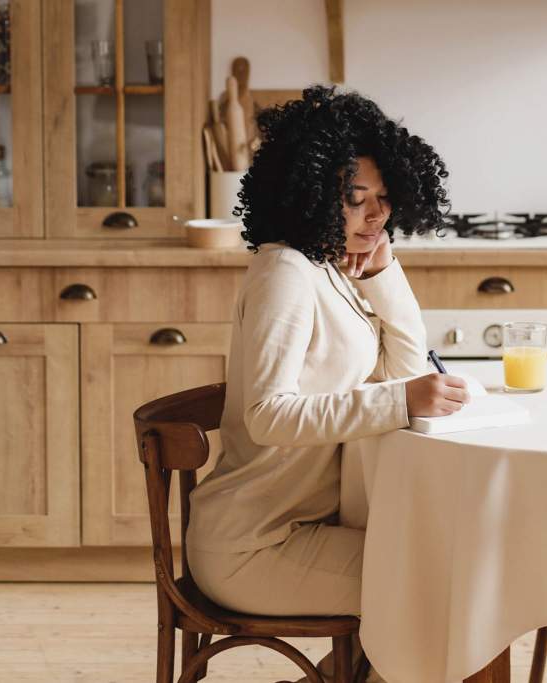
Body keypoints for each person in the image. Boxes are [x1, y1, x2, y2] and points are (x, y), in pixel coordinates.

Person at [186, 86, 468, 682]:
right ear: (312, 194)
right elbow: (268, 414)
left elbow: (407, 368)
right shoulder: (285, 271)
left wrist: (386, 271)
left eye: (385, 200)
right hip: (251, 543)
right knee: (448, 583)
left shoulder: (328, 268)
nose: (376, 215)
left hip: (300, 530)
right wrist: (400, 400)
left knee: (453, 568)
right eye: (355, 199)